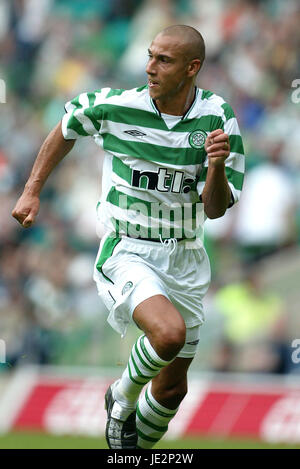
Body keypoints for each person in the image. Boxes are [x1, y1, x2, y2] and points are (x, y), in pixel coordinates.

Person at [12, 24, 245, 449]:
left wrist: (214, 166)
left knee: (173, 391)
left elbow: (215, 208)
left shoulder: (217, 118)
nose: (150, 67)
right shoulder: (117, 105)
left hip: (188, 255)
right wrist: (32, 190)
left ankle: (131, 454)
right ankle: (120, 398)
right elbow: (67, 125)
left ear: (192, 68)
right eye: (150, 55)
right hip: (129, 249)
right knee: (168, 335)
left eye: (164, 60)